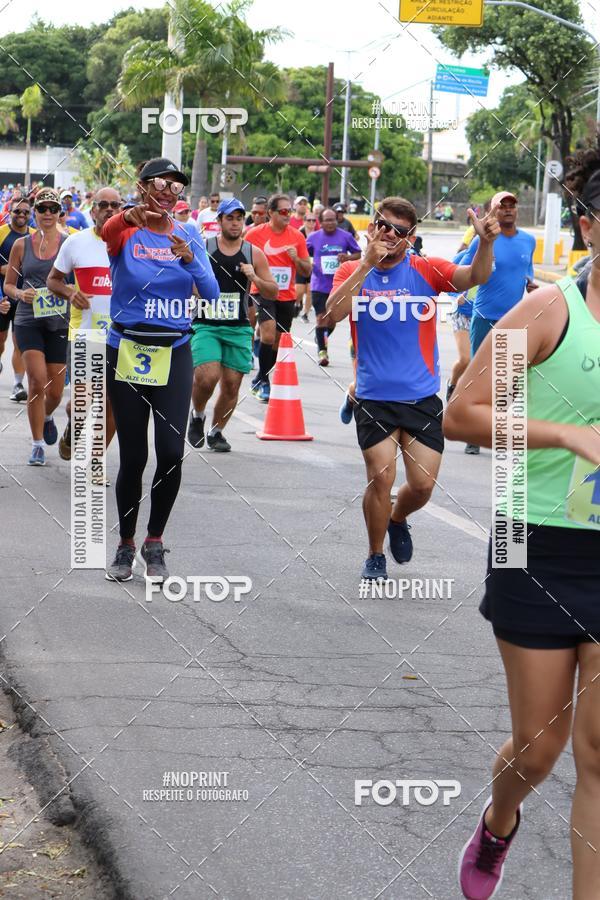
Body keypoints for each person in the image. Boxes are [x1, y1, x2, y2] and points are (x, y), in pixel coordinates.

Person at [445, 155, 600, 900]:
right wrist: (567, 435)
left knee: (598, 757)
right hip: (531, 542)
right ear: (590, 227)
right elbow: (462, 413)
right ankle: (501, 818)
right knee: (540, 751)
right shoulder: (545, 313)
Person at [327, 196, 499, 579]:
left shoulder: (426, 270)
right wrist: (367, 264)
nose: (389, 233)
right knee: (381, 475)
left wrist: (486, 243)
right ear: (371, 227)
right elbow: (332, 313)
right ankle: (375, 555)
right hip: (374, 397)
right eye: (382, 225)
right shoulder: (352, 270)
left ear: (411, 237)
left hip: (421, 398)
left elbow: (476, 277)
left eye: (399, 230)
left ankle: (398, 517)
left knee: (421, 486)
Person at [102, 157, 218, 583]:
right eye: (162, 184)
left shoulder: (189, 233)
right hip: (128, 347)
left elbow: (210, 291)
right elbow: (107, 233)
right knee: (134, 455)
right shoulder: (125, 228)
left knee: (171, 453)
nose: (170, 192)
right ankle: (125, 543)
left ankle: (155, 541)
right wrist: (129, 214)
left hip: (175, 349)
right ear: (143, 186)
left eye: (177, 187)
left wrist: (190, 260)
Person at [187, 198, 277, 451]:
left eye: (239, 218)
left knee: (232, 384)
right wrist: (197, 290)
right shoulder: (205, 249)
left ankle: (216, 432)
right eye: (230, 218)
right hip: (206, 323)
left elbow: (273, 292)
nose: (235, 223)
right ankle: (197, 416)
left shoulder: (253, 253)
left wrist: (254, 276)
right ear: (219, 221)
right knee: (207, 377)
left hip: (238, 326)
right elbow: (188, 280)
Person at [46, 187, 121, 467]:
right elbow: (53, 280)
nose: (110, 210)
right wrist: (70, 293)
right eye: (104, 204)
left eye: (116, 205)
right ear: (93, 211)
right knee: (81, 404)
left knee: (111, 404)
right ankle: (72, 429)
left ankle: (95, 463)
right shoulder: (76, 243)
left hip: (122, 336)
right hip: (86, 334)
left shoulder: (131, 244)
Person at [459, 191, 537, 454]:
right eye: (501, 206)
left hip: (515, 319)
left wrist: (532, 285)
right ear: (492, 211)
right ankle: (474, 433)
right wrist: (459, 293)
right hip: (484, 316)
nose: (507, 210)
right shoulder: (484, 240)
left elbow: (527, 273)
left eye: (511, 206)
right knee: (480, 375)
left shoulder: (529, 241)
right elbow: (463, 270)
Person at [5, 189, 70, 466]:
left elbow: (82, 280)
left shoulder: (70, 244)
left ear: (60, 213)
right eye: (41, 208)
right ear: (35, 212)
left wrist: (69, 291)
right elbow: (9, 284)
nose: (46, 214)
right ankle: (37, 444)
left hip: (58, 322)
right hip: (28, 319)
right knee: (36, 380)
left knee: (55, 391)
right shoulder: (21, 244)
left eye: (52, 209)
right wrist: (20, 295)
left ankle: (46, 417)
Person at [245, 193, 311, 402]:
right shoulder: (254, 235)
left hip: (286, 295)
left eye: (289, 211)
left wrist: (297, 259)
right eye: (283, 211)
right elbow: (241, 260)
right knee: (268, 335)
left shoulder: (297, 236)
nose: (287, 215)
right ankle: (264, 381)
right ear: (270, 213)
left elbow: (307, 270)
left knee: (278, 342)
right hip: (262, 291)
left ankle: (260, 376)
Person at [306, 206, 360, 365]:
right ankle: (323, 353)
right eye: (327, 220)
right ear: (320, 222)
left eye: (333, 219)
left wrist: (347, 258)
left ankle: (321, 336)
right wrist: (311, 264)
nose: (331, 223)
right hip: (319, 285)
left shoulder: (346, 236)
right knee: (321, 319)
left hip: (338, 286)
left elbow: (358, 254)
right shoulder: (314, 237)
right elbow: (304, 252)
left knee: (332, 321)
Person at [0, 196, 35, 401]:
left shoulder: (34, 236)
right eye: (17, 211)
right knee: (2, 339)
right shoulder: (2, 233)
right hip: (3, 297)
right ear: (9, 213)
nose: (21, 215)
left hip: (25, 298)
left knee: (19, 342)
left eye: (25, 212)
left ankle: (17, 384)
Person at [296, 211, 318, 322]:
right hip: (301, 265)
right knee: (299, 291)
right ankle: (296, 304)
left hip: (313, 266)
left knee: (310, 290)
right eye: (308, 220)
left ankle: (305, 314)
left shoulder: (318, 234)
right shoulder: (299, 233)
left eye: (313, 220)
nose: (311, 222)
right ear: (304, 221)